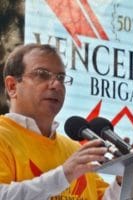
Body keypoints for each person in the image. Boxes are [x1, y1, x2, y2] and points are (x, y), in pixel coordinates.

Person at [0, 43, 122, 199]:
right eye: (42, 74)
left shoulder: (73, 150)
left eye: (61, 78)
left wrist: (121, 181)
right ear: (12, 86)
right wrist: (64, 175)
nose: (56, 84)